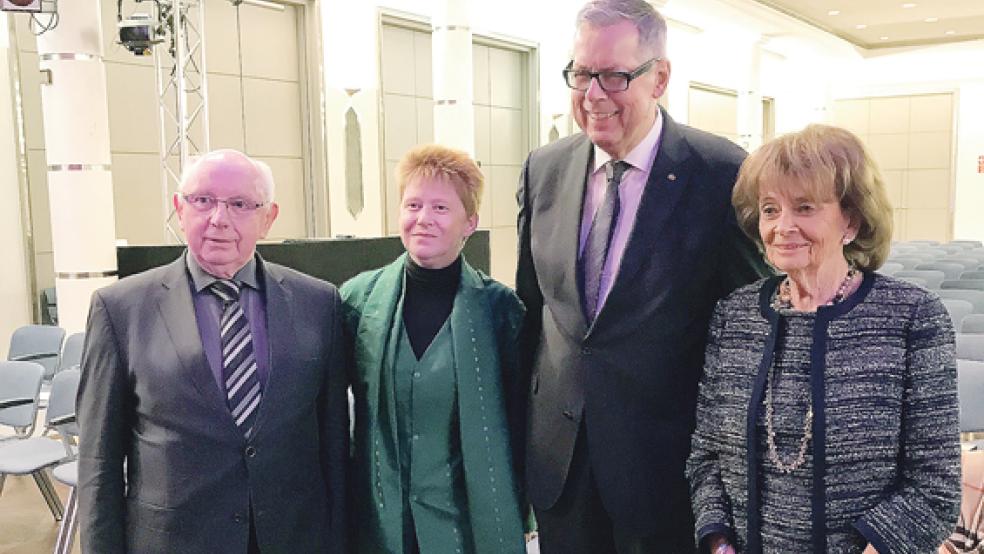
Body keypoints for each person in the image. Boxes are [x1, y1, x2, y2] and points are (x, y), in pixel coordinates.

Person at [515, 1, 771, 551]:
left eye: (614, 75)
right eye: (581, 73)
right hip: (560, 466)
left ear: (660, 77)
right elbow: (530, 311)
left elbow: (747, 340)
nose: (593, 95)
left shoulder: (721, 173)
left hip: (665, 472)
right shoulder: (544, 168)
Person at [687, 124, 962, 553]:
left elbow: (935, 488)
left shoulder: (912, 318)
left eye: (805, 207)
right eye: (770, 209)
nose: (783, 226)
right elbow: (706, 456)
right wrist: (719, 541)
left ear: (850, 219)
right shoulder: (734, 316)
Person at [76, 149, 349, 553]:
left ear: (268, 218)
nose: (219, 219)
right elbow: (99, 462)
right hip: (174, 541)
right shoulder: (120, 309)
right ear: (179, 210)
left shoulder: (318, 303)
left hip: (292, 537)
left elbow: (335, 447)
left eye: (240, 204)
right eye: (202, 201)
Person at [341, 144, 527, 554]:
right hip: (378, 522)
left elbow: (521, 422)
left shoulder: (501, 312)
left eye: (441, 208)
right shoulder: (357, 300)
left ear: (470, 222)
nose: (423, 219)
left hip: (464, 527)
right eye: (413, 204)